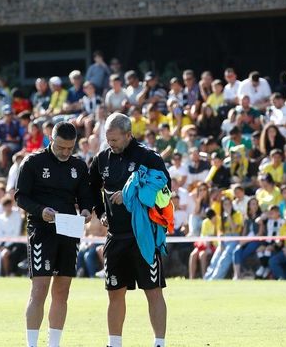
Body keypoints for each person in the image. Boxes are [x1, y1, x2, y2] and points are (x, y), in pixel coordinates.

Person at [89, 113, 170, 347]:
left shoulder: (148, 157)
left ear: (128, 135)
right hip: (115, 237)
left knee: (153, 290)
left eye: (115, 140)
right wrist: (100, 211)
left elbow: (165, 192)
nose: (111, 144)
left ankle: (159, 343)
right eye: (108, 139)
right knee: (114, 292)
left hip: (144, 236)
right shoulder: (102, 158)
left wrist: (130, 196)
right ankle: (114, 343)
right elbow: (91, 187)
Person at [14, 122, 93, 347]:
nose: (65, 153)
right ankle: (31, 344)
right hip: (41, 230)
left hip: (69, 231)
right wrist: (41, 211)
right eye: (61, 148)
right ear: (50, 139)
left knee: (62, 290)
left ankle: (54, 344)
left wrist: (86, 211)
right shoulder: (33, 162)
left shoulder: (78, 165)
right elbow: (21, 197)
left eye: (70, 148)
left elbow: (85, 197)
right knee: (39, 289)